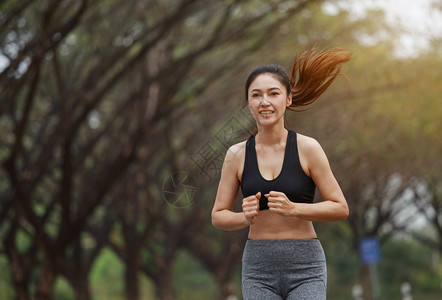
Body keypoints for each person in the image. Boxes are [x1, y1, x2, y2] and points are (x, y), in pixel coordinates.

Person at [211, 45, 351, 300]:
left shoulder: (308, 148)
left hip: (305, 265)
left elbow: (340, 208)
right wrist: (244, 217)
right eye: (256, 95)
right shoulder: (236, 155)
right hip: (258, 268)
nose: (264, 101)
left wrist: (294, 209)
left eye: (273, 93)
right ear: (249, 103)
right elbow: (218, 216)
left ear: (287, 99)